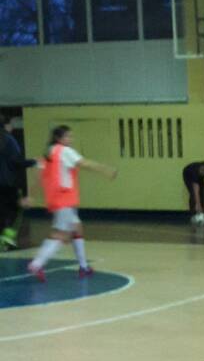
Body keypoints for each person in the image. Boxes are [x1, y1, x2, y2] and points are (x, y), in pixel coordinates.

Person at [28, 126, 117, 281]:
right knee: (61, 235)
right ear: (59, 138)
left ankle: (83, 267)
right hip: (65, 199)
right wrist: (105, 169)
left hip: (56, 199)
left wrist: (31, 196)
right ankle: (36, 264)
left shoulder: (48, 153)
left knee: (77, 228)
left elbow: (37, 176)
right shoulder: (65, 151)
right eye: (68, 136)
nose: (71, 139)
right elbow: (84, 163)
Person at [0, 113, 35, 251]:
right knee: (15, 212)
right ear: (7, 125)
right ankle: (6, 241)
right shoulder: (8, 140)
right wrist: (33, 162)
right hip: (6, 184)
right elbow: (16, 162)